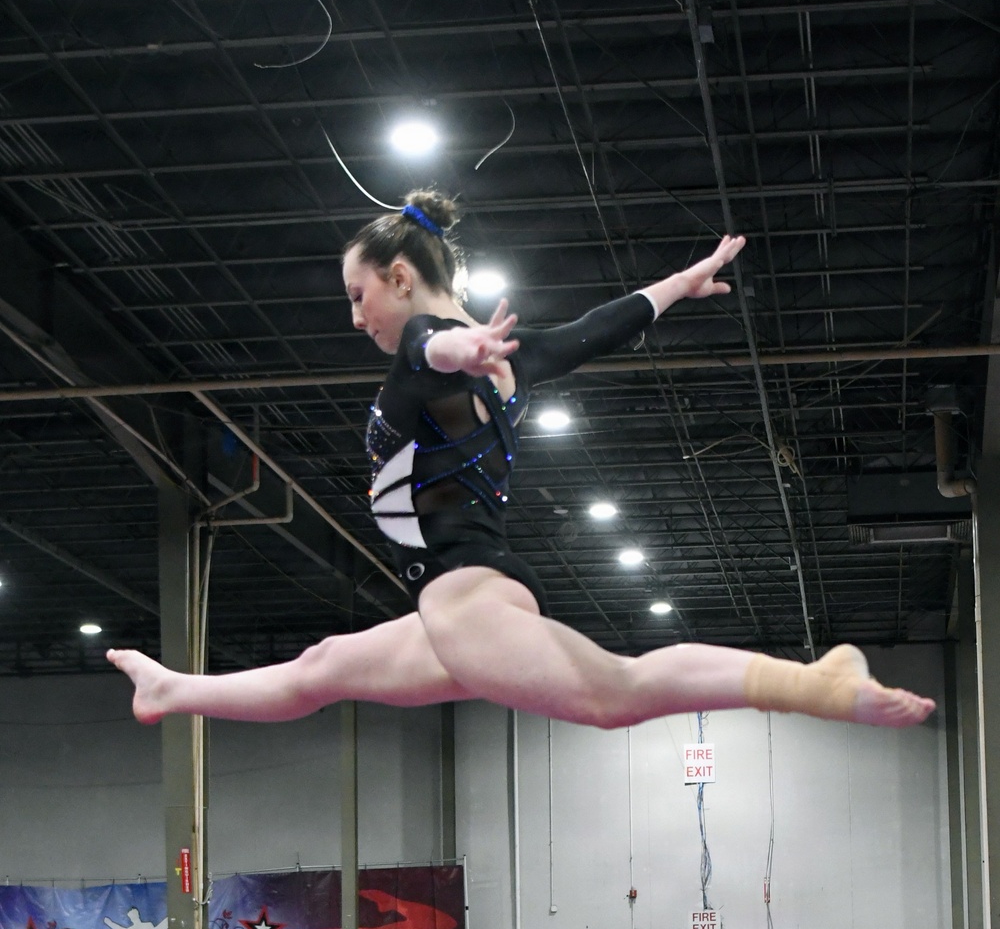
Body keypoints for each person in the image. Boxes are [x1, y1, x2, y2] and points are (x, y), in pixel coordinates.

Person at [107, 199, 935, 739]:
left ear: (401, 278)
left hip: (465, 601)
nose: (355, 315)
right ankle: (170, 688)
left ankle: (815, 684)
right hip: (456, 601)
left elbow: (439, 345)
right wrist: (680, 284)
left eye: (360, 295)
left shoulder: (428, 352)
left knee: (617, 693)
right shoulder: (506, 361)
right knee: (320, 668)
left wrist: (459, 343)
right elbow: (595, 329)